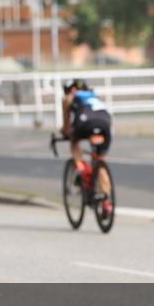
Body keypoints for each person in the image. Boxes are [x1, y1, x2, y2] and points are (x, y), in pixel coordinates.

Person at [62, 78, 114, 215]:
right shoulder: (93, 95)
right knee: (100, 162)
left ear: (72, 89)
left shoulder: (71, 95)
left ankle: (81, 169)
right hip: (105, 123)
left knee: (74, 141)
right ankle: (107, 203)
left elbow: (67, 124)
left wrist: (66, 131)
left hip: (86, 123)